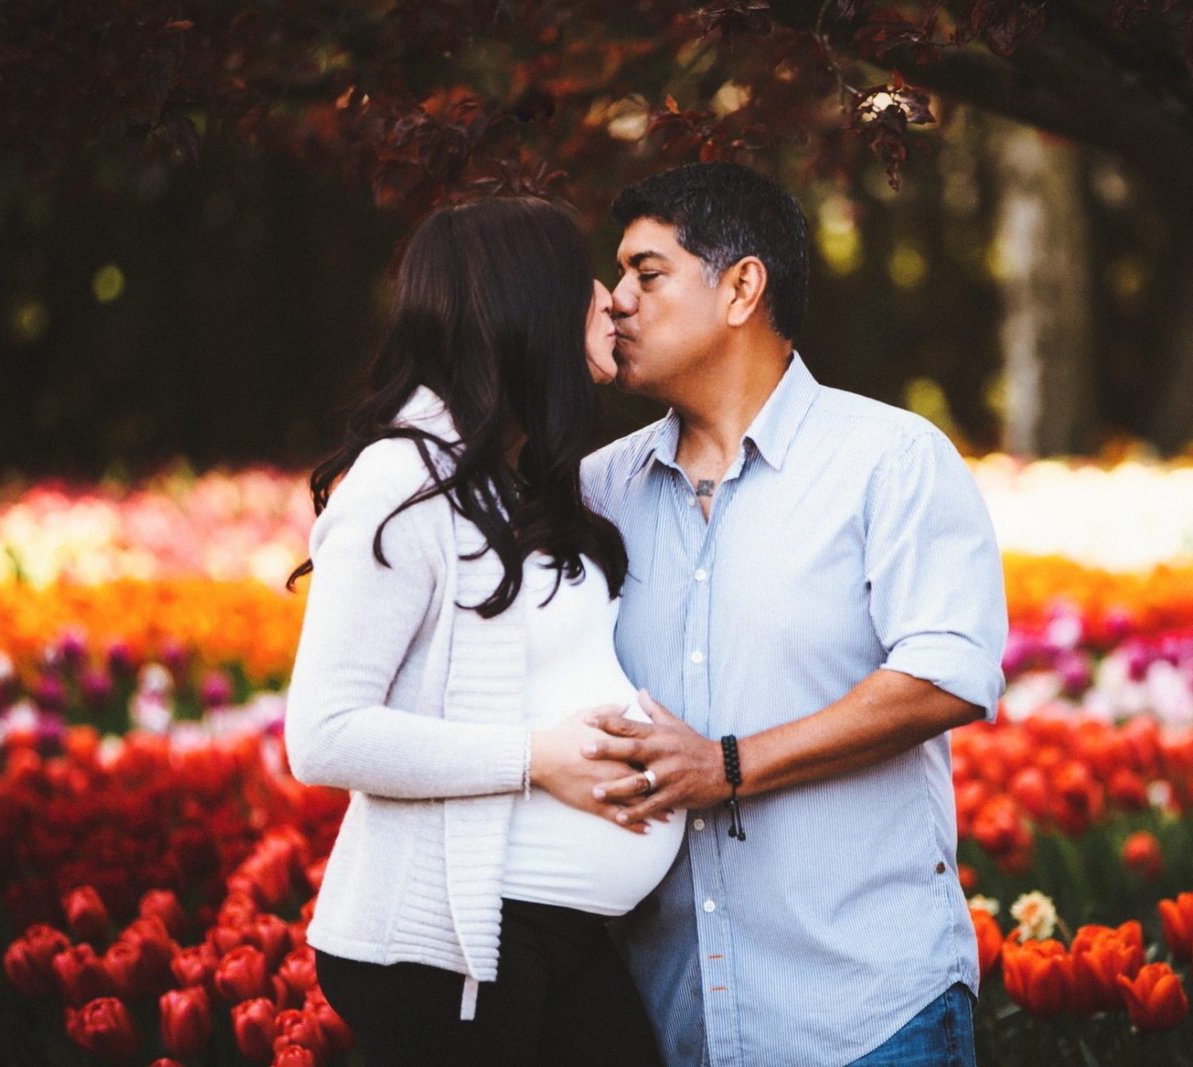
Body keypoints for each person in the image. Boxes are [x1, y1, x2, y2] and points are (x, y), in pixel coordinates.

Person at [580, 162, 1010, 1066]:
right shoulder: (595, 490)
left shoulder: (888, 459)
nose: (614, 302)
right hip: (670, 1023)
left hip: (869, 1018)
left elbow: (947, 674)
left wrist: (726, 764)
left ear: (742, 286)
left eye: (645, 273)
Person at [282, 196, 681, 1066]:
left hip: (541, 940)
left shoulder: (502, 476)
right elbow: (323, 736)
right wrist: (535, 758)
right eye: (586, 278)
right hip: (448, 951)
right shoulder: (399, 483)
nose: (612, 299)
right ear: (528, 299)